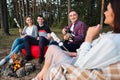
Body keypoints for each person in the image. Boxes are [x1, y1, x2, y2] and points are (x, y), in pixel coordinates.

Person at [34, 0, 120, 79]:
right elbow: (66, 28)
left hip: (76, 45)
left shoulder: (81, 24)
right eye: (71, 16)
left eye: (74, 15)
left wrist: (75, 37)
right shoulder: (71, 24)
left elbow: (81, 37)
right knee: (53, 43)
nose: (72, 17)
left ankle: (44, 72)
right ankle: (44, 71)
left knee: (53, 45)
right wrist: (64, 30)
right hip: (73, 48)